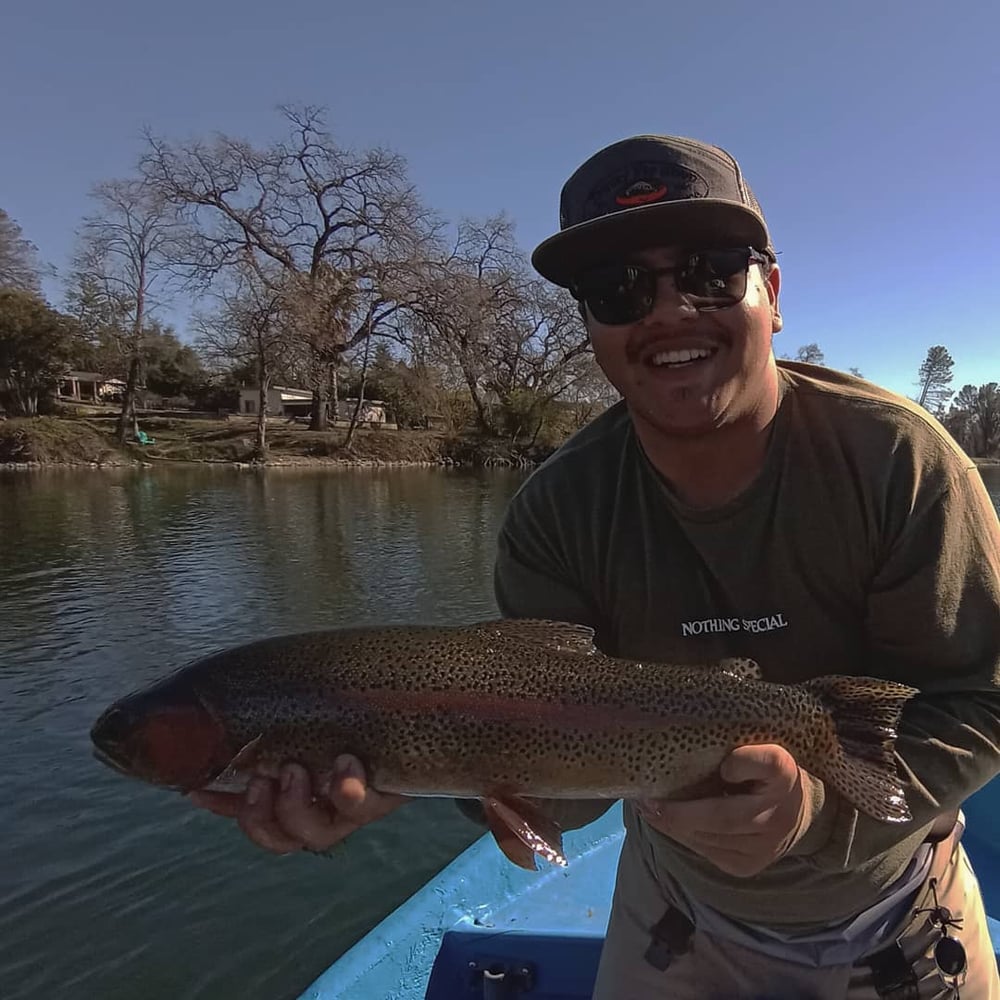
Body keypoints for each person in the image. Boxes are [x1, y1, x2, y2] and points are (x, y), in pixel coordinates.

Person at [189, 134, 1000, 999]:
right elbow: (558, 783)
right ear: (589, 325)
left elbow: (981, 701)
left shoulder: (899, 463)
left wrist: (812, 815)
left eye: (711, 269)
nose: (668, 311)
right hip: (676, 913)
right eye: (617, 289)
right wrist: (396, 773)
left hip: (896, 915)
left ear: (773, 294)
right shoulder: (557, 513)